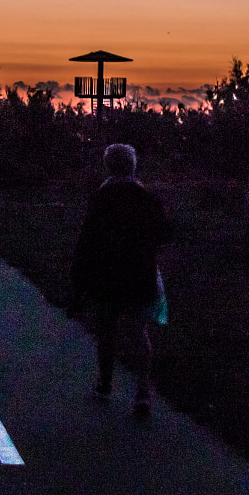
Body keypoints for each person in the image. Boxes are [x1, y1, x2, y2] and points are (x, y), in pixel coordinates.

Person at [69, 143, 173, 419]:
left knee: (107, 332)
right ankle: (142, 392)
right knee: (139, 334)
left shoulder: (100, 198)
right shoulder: (146, 197)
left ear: (108, 166)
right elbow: (163, 233)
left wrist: (79, 279)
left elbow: (87, 240)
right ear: (133, 165)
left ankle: (104, 385)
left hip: (106, 276)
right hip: (139, 275)